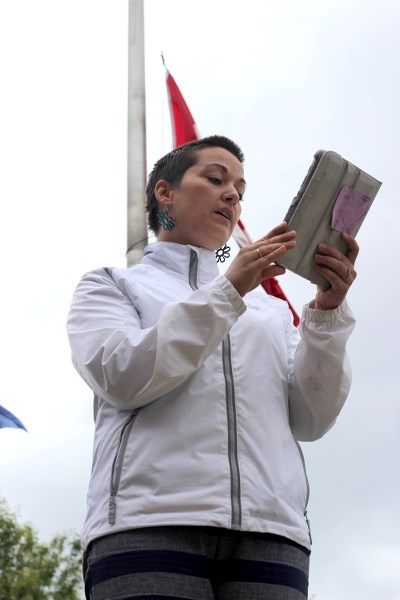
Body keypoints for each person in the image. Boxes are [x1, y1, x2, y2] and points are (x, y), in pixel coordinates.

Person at [67, 135, 358, 600]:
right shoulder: (110, 286)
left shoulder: (271, 311)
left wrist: (325, 313)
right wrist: (229, 292)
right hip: (150, 524)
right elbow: (122, 376)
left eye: (240, 191)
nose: (232, 196)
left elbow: (311, 419)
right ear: (165, 192)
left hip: (273, 533)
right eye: (216, 179)